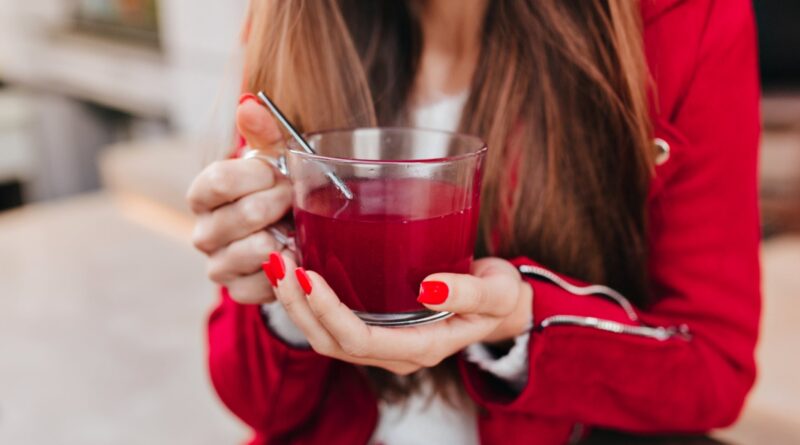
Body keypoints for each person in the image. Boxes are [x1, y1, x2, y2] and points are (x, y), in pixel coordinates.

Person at [186, 1, 761, 444]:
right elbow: (251, 396)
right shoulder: (301, 22)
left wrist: (522, 320)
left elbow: (714, 369)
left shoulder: (682, 24)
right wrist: (277, 282)